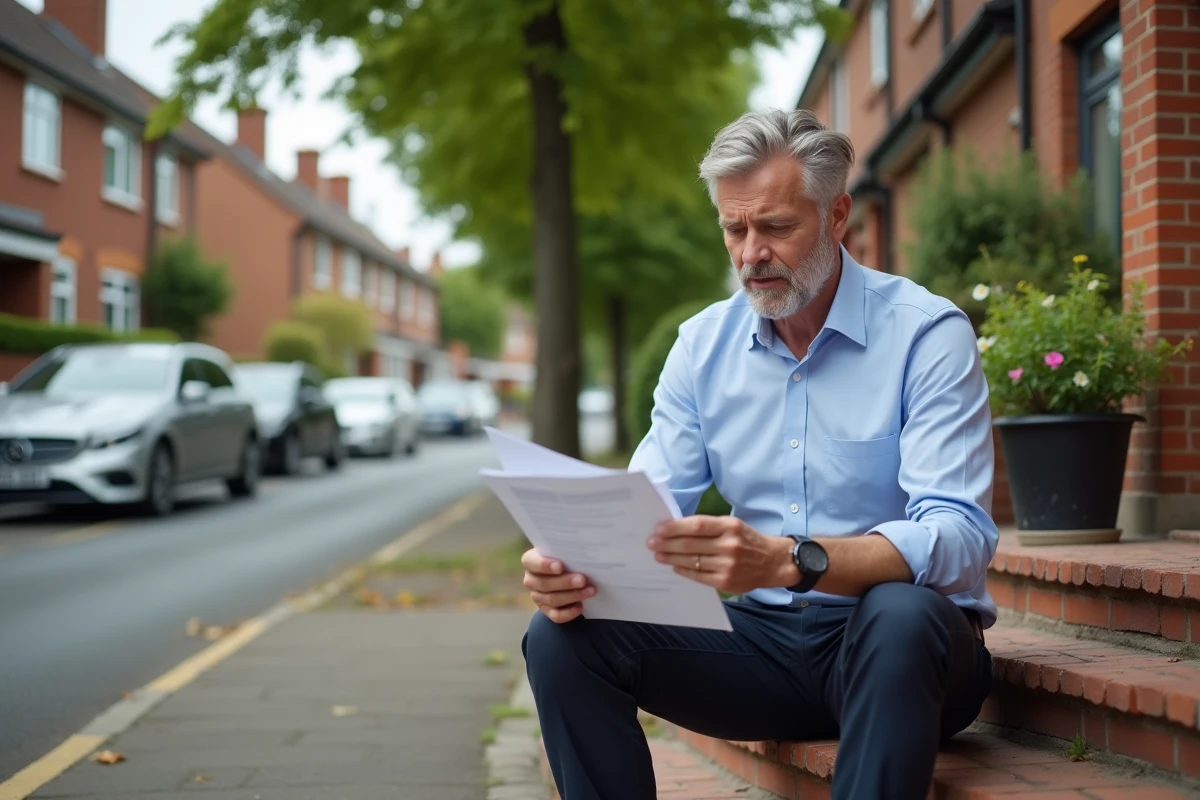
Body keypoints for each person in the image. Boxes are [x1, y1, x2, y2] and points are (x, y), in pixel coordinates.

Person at [520, 108, 998, 800]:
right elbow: (645, 514)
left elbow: (960, 539)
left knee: (901, 612)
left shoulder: (926, 335)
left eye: (775, 227)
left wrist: (790, 559)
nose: (750, 254)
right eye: (734, 229)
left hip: (904, 653)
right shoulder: (701, 347)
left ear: (837, 216)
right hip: (760, 650)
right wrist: (573, 567)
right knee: (560, 636)